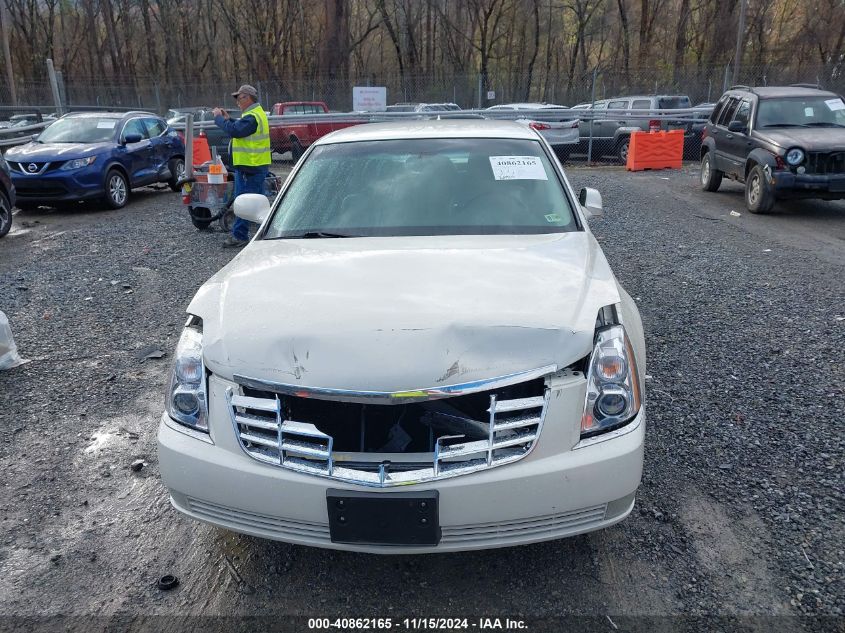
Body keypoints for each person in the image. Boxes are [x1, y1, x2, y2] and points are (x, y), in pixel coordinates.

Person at [212, 84, 271, 248]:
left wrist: (218, 119)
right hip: (254, 167)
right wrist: (227, 119)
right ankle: (265, 233)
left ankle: (240, 236)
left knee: (244, 203)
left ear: (247, 97)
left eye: (239, 98)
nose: (237, 101)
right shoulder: (255, 115)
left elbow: (236, 131)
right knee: (257, 203)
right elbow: (238, 127)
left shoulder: (252, 117)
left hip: (249, 168)